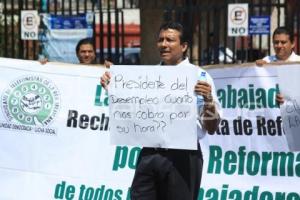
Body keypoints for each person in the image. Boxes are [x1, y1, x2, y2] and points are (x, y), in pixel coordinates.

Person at [101, 21, 221, 200]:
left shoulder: (200, 76)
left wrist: (208, 100)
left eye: (170, 40)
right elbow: (132, 110)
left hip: (183, 157)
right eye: (160, 40)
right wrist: (114, 86)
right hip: (150, 153)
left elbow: (211, 127)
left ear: (184, 46)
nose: (163, 44)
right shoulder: (147, 76)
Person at [256, 26, 300, 104]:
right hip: (271, 114)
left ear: (292, 44)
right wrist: (256, 67)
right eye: (276, 42)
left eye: (283, 42)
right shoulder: (266, 61)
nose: (279, 46)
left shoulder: (298, 61)